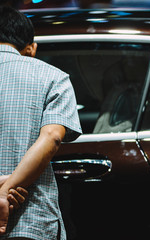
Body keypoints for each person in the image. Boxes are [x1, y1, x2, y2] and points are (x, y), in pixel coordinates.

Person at [0, 6, 82, 240]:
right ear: (31, 48)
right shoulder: (53, 77)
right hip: (30, 220)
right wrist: (5, 193)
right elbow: (52, 137)